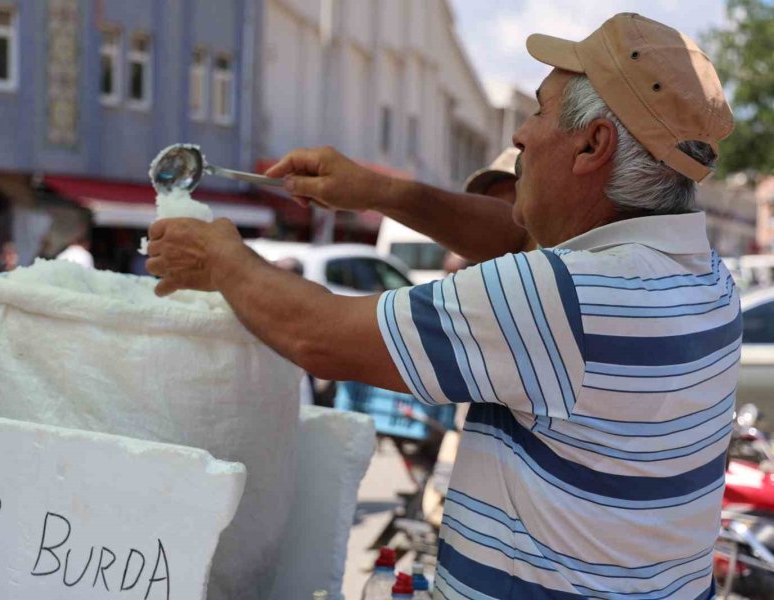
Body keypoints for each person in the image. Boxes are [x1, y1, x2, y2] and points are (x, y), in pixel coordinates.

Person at [147, 13, 737, 597]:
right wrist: (378, 191)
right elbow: (513, 234)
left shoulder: (564, 297)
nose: (520, 136)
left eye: (539, 111)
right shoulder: (706, 280)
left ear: (592, 144)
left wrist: (220, 257)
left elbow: (318, 336)